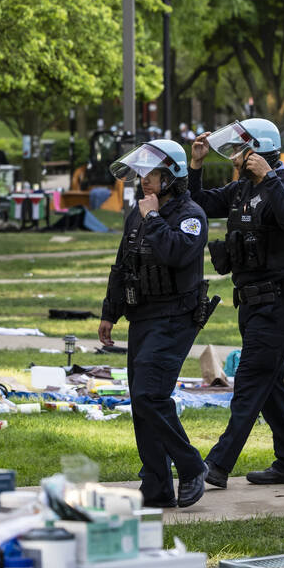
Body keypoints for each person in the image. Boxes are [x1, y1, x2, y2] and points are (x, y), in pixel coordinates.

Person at [188, 118, 284, 487]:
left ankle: (217, 465)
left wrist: (270, 178)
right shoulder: (241, 190)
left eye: (241, 151)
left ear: (260, 152)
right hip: (250, 304)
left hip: (277, 305)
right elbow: (200, 204)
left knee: (252, 380)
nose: (236, 159)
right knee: (273, 385)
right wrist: (196, 165)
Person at [98, 140, 208, 509]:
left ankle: (192, 467)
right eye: (141, 174)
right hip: (141, 315)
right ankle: (156, 485)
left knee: (150, 395)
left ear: (172, 176)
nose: (144, 181)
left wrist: (153, 218)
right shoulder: (140, 213)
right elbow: (123, 264)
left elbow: (176, 252)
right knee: (141, 402)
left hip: (175, 316)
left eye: (153, 174)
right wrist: (109, 312)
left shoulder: (190, 214)